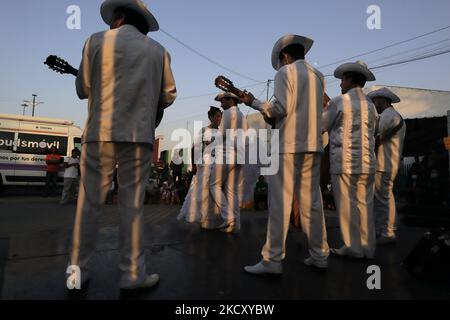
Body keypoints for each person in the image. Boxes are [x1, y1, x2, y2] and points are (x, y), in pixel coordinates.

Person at [69, 0, 176, 291]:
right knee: (133, 206)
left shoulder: (94, 41)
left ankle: (77, 273)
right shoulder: (158, 51)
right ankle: (132, 275)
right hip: (138, 136)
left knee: (88, 205)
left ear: (119, 16)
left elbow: (83, 89)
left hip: (98, 134)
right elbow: (168, 95)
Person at [240, 34, 329, 273]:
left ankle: (272, 261)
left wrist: (253, 102)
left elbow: (280, 108)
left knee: (280, 203)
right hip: (313, 145)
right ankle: (320, 255)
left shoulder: (285, 73)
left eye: (280, 61)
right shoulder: (318, 76)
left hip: (289, 145)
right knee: (313, 203)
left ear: (285, 56)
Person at [322, 61, 378, 259]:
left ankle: (353, 247)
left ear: (349, 79)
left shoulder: (340, 101)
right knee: (365, 206)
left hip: (344, 163)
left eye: (342, 80)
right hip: (368, 163)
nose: (340, 85)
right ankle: (367, 248)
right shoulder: (371, 105)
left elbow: (322, 125)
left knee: (347, 207)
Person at [367, 87, 406, 245]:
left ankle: (388, 232)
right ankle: (383, 229)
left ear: (382, 100)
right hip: (389, 163)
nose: (374, 104)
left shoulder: (388, 116)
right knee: (383, 198)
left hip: (384, 164)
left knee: (383, 198)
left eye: (375, 101)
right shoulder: (395, 116)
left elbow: (373, 133)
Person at [178, 107, 223, 229]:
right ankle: (201, 217)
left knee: (212, 193)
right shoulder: (204, 131)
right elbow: (194, 148)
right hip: (204, 165)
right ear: (211, 117)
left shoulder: (220, 132)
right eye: (217, 116)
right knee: (201, 192)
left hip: (216, 165)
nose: (219, 119)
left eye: (220, 116)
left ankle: (210, 220)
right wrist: (193, 166)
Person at [210, 93, 248, 234]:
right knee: (232, 191)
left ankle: (228, 216)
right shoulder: (242, 115)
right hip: (239, 156)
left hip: (226, 155)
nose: (221, 105)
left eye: (222, 101)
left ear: (230, 100)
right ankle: (235, 223)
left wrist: (213, 149)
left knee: (214, 185)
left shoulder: (226, 114)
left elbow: (222, 135)